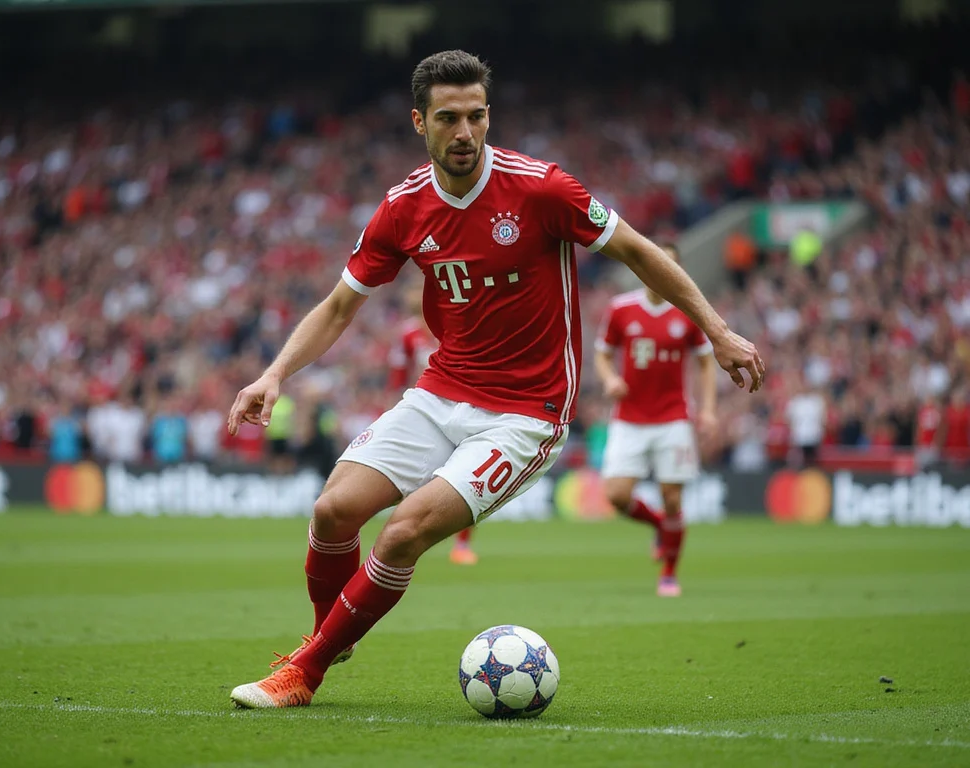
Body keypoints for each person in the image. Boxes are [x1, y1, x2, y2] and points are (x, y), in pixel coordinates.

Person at [225, 50, 764, 709]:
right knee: (333, 510)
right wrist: (273, 373)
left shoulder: (541, 189)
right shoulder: (403, 208)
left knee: (404, 530)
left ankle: (303, 673)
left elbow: (639, 251)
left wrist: (716, 328)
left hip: (526, 411)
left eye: (477, 116)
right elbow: (340, 305)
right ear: (418, 121)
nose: (465, 133)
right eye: (448, 118)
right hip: (441, 390)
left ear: (489, 116)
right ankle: (328, 638)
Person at [594, 243, 718, 597]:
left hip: (672, 418)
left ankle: (669, 574)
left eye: (671, 265)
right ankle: (661, 528)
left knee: (672, 498)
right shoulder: (621, 309)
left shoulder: (687, 311)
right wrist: (610, 379)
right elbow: (602, 354)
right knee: (616, 496)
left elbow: (706, 361)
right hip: (629, 417)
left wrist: (707, 409)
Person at [388, 281, 478, 565]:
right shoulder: (408, 333)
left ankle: (461, 545)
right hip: (424, 409)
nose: (413, 296)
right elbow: (398, 375)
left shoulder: (453, 326)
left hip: (462, 407)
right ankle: (405, 534)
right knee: (415, 476)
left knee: (465, 476)